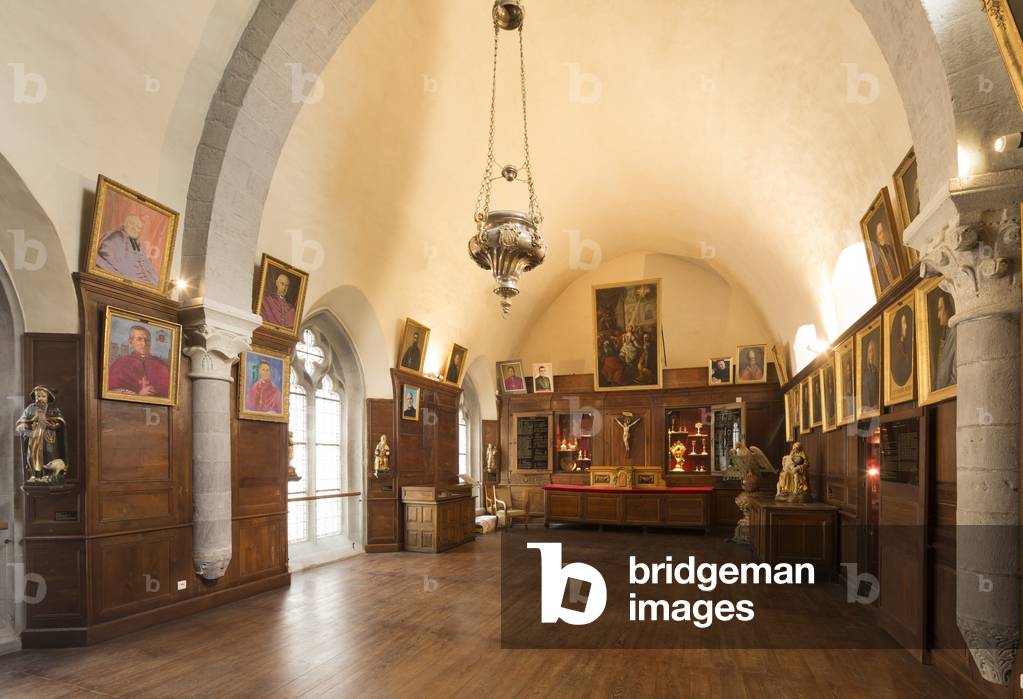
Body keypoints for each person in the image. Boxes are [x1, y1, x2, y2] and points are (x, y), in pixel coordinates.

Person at [95, 213, 159, 286]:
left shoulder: (137, 245)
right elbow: (109, 259)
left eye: (138, 227)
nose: (135, 228)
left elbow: (147, 268)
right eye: (132, 224)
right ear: (125, 224)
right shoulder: (116, 236)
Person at [107, 325, 171, 397]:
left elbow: (169, 392)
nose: (144, 344)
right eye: (139, 339)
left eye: (147, 340)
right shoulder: (120, 364)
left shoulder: (160, 364)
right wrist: (138, 395)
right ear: (130, 341)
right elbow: (111, 392)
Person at [933, 293, 957, 390]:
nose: (938, 315)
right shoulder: (945, 334)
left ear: (948, 308)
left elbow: (956, 376)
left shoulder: (955, 333)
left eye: (940, 309)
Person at [873, 221, 901, 292]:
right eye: (880, 233)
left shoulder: (890, 248)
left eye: (883, 231)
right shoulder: (876, 256)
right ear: (877, 238)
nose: (883, 235)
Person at [890, 310, 913, 387]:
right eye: (904, 323)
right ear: (899, 326)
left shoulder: (907, 345)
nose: (906, 326)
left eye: (906, 322)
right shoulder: (898, 348)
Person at [862, 337, 880, 409]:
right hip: (867, 409)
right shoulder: (865, 373)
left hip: (876, 408)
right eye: (870, 351)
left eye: (873, 351)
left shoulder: (878, 372)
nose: (871, 354)